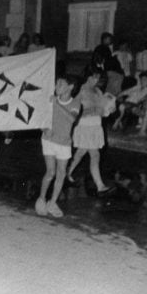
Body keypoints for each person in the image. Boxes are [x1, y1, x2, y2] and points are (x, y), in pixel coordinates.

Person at [35, 75, 81, 218]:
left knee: (61, 173)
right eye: (56, 84)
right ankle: (41, 199)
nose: (56, 87)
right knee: (51, 172)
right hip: (49, 140)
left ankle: (52, 202)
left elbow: (71, 119)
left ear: (70, 87)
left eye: (60, 84)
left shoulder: (76, 103)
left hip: (64, 143)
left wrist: (56, 104)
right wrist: (43, 129)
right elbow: (40, 118)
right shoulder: (51, 100)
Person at [67, 69, 116, 197]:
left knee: (81, 153)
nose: (95, 81)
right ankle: (100, 186)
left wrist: (110, 108)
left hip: (96, 126)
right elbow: (74, 109)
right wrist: (90, 111)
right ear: (88, 77)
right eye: (93, 78)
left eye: (98, 78)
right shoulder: (81, 90)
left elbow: (103, 109)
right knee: (94, 155)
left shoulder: (98, 91)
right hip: (85, 126)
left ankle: (67, 173)